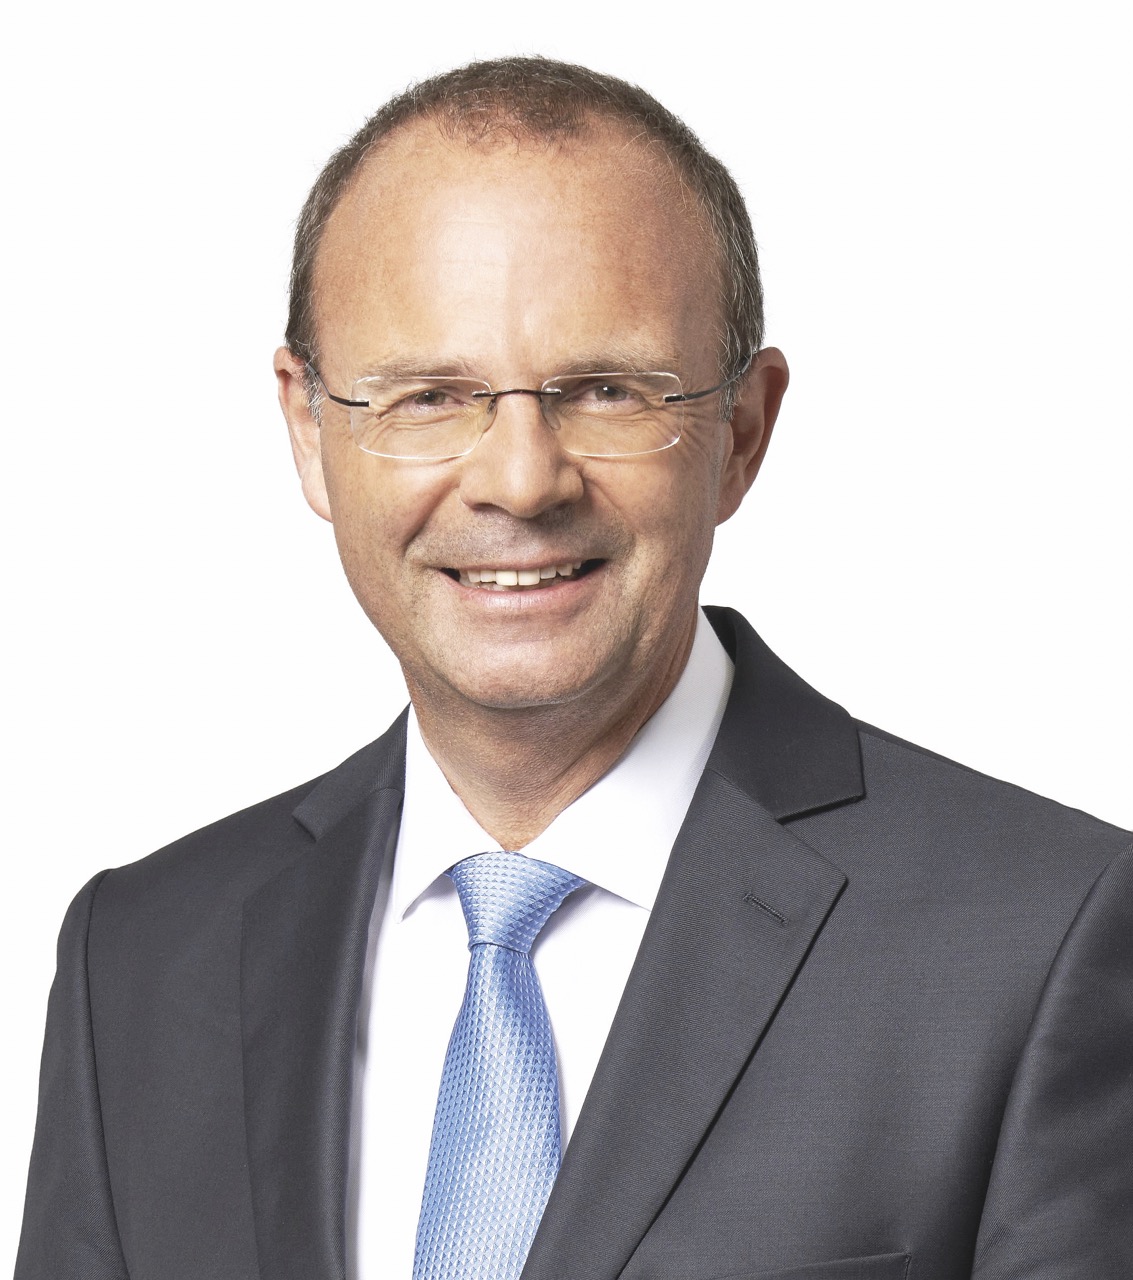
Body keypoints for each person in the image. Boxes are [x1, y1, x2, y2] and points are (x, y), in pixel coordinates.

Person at [16, 56, 1133, 1280]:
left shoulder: (1038, 938)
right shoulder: (139, 959)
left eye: (606, 390)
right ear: (307, 427)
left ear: (740, 431)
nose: (518, 479)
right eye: (426, 396)